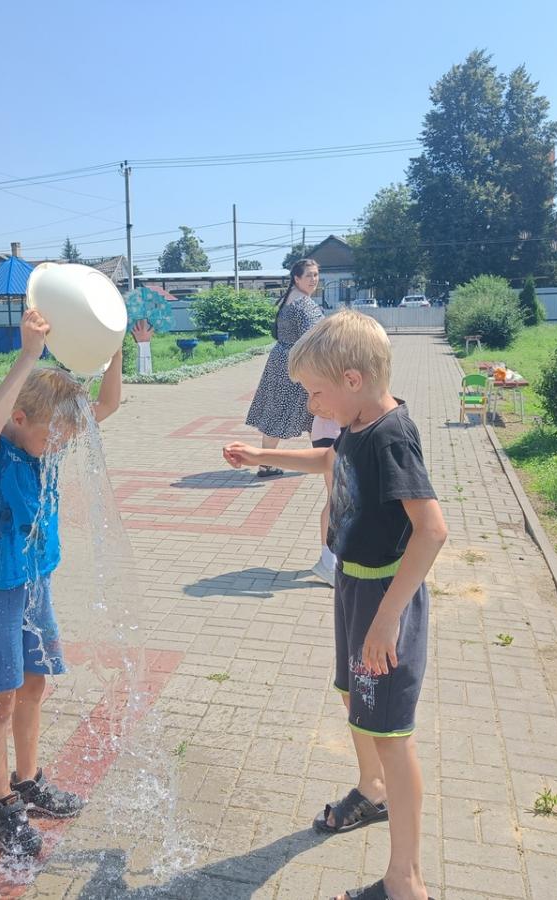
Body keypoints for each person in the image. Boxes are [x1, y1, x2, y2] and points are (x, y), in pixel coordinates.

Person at [223, 310, 447, 900]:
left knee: (392, 732)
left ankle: (406, 882)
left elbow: (432, 531)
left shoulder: (391, 436)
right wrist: (263, 456)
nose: (310, 406)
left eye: (314, 393)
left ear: (352, 379)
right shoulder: (358, 423)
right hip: (353, 585)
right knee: (353, 695)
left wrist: (388, 619)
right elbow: (330, 461)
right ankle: (372, 791)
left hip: (383, 598)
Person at [0, 308, 123, 856]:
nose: (61, 445)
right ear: (21, 417)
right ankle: (1, 803)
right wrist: (29, 353)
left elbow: (107, 406)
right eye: (53, 436)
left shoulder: (42, 442)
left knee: (35, 686)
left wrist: (113, 348)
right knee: (0, 700)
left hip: (36, 585)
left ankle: (28, 782)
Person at [245, 258, 338, 583]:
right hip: (298, 364)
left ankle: (269, 462)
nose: (314, 279)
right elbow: (321, 339)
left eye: (317, 275)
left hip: (283, 359)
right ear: (296, 278)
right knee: (305, 414)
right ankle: (308, 459)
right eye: (309, 275)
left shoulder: (289, 300)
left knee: (279, 415)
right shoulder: (303, 305)